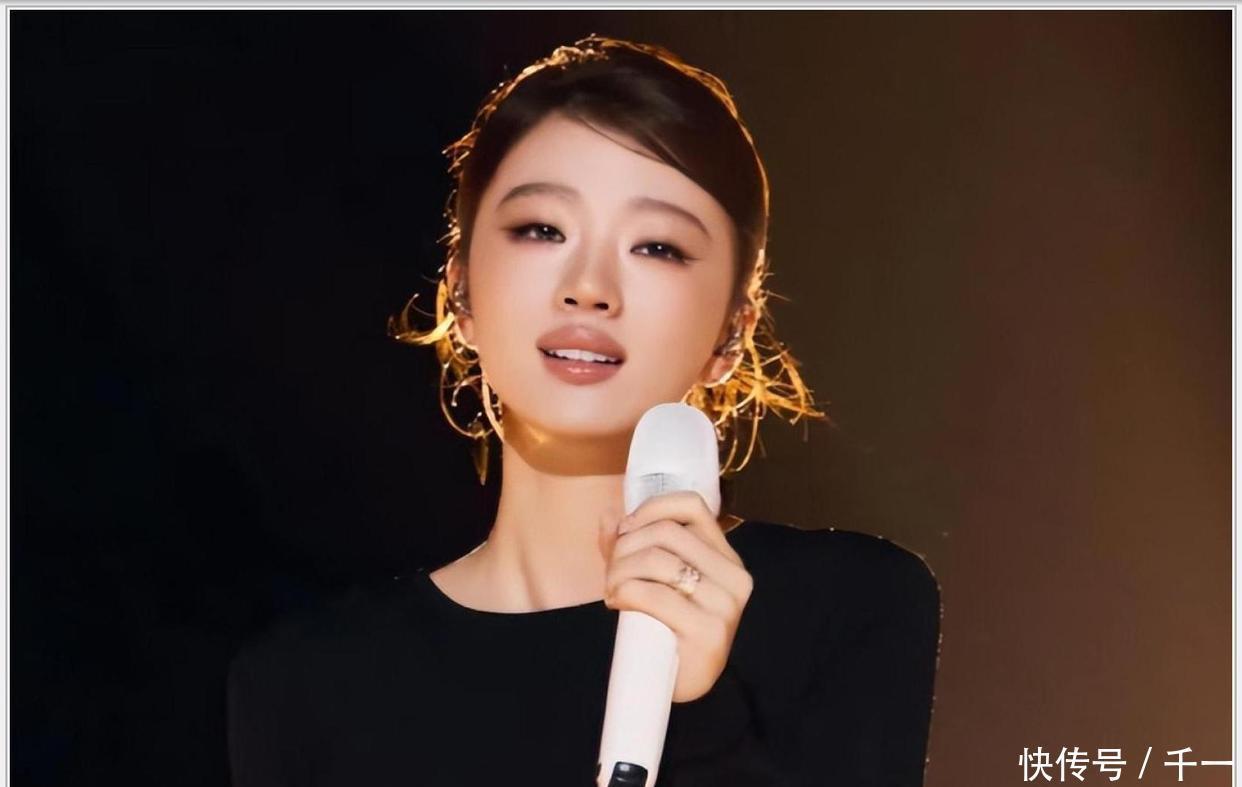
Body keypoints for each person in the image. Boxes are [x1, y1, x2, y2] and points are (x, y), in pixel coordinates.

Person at [227, 34, 942, 787]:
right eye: (542, 230)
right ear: (460, 291)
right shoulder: (302, 688)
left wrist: (696, 712)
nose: (589, 287)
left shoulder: (850, 608)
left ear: (732, 332)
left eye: (657, 246)